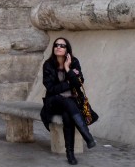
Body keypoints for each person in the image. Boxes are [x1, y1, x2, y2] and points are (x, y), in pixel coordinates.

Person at [40, 37, 96, 165]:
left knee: (67, 114)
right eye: (56, 45)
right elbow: (51, 88)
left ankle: (70, 154)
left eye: (62, 45)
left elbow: (79, 83)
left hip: (71, 103)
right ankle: (87, 136)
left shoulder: (74, 62)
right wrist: (69, 82)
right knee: (66, 102)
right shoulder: (48, 65)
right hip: (53, 102)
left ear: (67, 50)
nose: (58, 47)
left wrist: (67, 68)